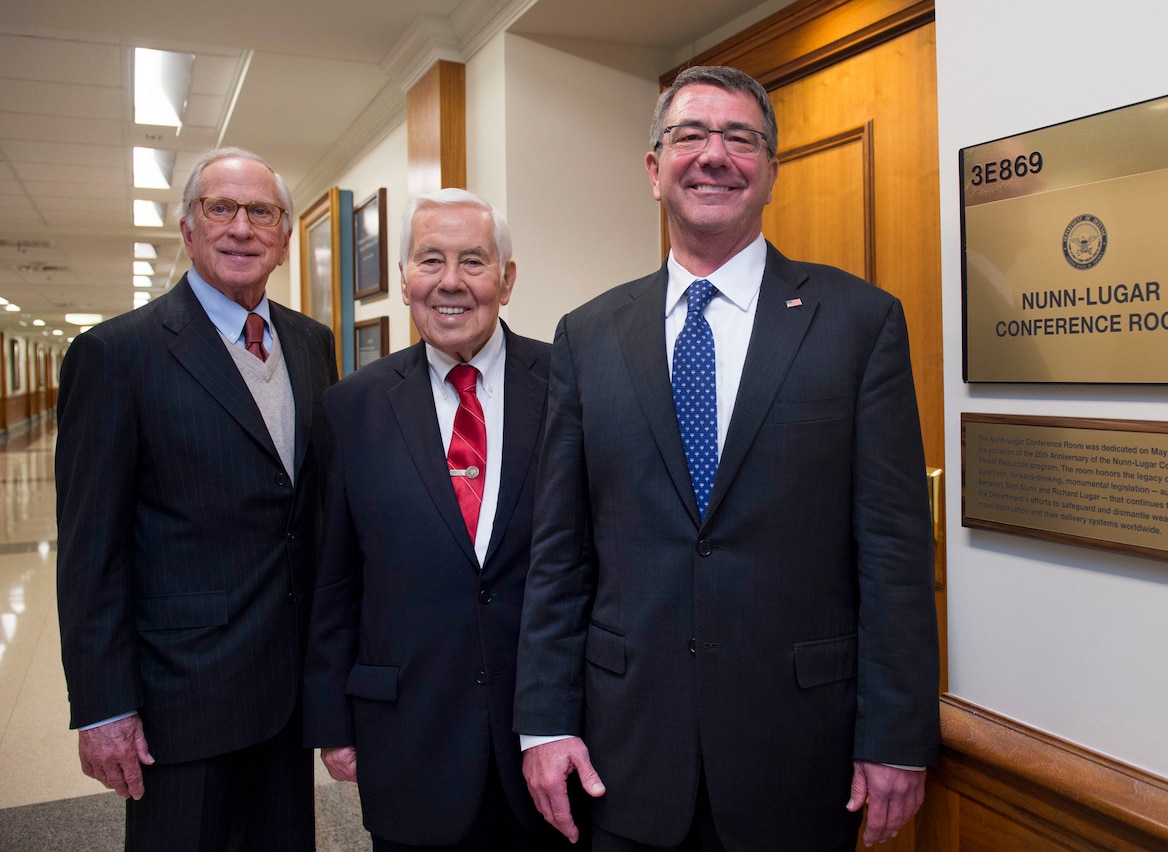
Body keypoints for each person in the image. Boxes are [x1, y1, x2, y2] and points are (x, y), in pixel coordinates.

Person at [514, 66, 940, 851]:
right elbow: (560, 553)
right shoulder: (588, 334)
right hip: (624, 750)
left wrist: (897, 733)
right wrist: (542, 723)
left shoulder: (859, 323)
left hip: (802, 752)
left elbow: (894, 549)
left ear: (771, 172)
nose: (715, 156)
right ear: (654, 170)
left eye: (741, 139)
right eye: (689, 137)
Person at [55, 147, 338, 851]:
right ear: (187, 230)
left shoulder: (310, 344)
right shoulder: (118, 355)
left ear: (284, 237)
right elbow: (91, 549)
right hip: (181, 698)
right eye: (221, 208)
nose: (242, 228)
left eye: (261, 212)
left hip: (288, 689)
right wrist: (104, 706)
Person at [302, 189, 575, 851]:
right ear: (403, 281)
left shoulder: (571, 383)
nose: (450, 282)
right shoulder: (350, 408)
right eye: (430, 261)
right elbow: (334, 580)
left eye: (473, 262)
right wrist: (333, 721)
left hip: (545, 738)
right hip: (407, 732)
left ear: (506, 281)